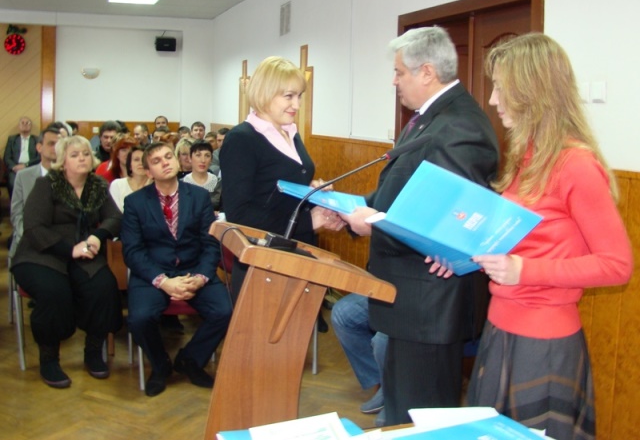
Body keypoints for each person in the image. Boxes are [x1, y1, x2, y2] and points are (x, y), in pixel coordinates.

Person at [455, 33, 633, 440]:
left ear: (533, 92)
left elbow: (617, 265)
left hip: (544, 342)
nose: (493, 100)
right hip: (500, 329)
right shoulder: (527, 156)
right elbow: (518, 241)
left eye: (501, 88)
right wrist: (458, 253)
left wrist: (524, 271)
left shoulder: (576, 164)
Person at [341, 27, 498, 425]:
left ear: (426, 72)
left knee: (422, 420)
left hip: (431, 305)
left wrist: (372, 225)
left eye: (399, 72)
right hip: (411, 301)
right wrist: (351, 211)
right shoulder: (431, 119)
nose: (394, 81)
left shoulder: (459, 124)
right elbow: (404, 195)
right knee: (403, 417)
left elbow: (451, 223)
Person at [220, 56, 345, 304]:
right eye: (289, 96)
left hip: (299, 250)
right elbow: (239, 215)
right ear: (265, 93)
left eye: (299, 96)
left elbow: (276, 190)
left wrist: (313, 194)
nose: (296, 104)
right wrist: (309, 221)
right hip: (264, 261)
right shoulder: (242, 139)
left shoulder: (290, 132)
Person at [121, 142, 232, 397]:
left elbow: (210, 243)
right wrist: (163, 281)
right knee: (139, 319)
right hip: (153, 272)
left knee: (225, 310)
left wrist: (201, 277)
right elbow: (133, 251)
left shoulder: (199, 196)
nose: (165, 163)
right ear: (148, 172)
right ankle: (160, 364)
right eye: (156, 161)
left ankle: (190, 359)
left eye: (168, 156)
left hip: (194, 269)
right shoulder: (135, 202)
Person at [11, 135, 123, 388]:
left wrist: (97, 236)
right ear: (62, 161)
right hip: (42, 252)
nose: (82, 158)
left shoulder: (96, 185)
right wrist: (69, 249)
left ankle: (93, 352)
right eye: (74, 155)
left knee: (104, 287)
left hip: (84, 251)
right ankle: (49, 358)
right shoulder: (47, 184)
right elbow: (34, 227)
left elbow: (115, 218)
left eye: (85, 153)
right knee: (54, 292)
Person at [331, 293, 388, 426]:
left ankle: (396, 393)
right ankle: (385, 381)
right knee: (343, 314)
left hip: (422, 294)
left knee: (382, 339)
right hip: (391, 289)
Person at [9, 128, 61, 259]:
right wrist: (30, 236)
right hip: (27, 238)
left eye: (60, 144)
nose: (56, 148)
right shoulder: (23, 176)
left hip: (59, 241)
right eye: (51, 144)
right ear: (39, 147)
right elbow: (16, 213)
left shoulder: (70, 177)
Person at [109, 144, 151, 212]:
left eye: (144, 160)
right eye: (136, 160)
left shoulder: (156, 185)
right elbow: (113, 213)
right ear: (130, 165)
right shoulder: (117, 185)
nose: (141, 163)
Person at [181, 141, 221, 211]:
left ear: (211, 159)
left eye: (207, 156)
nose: (203, 160)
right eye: (198, 155)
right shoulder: (181, 184)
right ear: (190, 158)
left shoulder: (219, 183)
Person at [4, 116, 40, 193]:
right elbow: (7, 157)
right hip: (15, 169)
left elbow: (39, 157)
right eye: (22, 123)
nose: (25, 124)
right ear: (19, 126)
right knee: (12, 183)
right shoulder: (12, 139)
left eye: (27, 123)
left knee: (34, 185)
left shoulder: (37, 140)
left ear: (31, 126)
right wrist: (14, 167)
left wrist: (26, 165)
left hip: (31, 167)